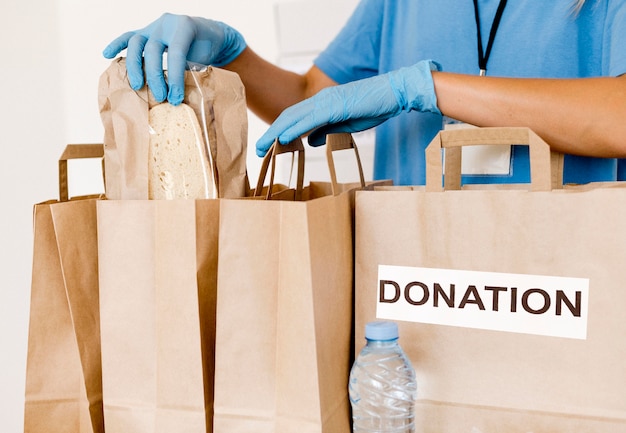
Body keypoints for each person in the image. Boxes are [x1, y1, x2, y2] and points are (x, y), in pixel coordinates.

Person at [103, 0, 626, 186]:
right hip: (421, 284)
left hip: (564, 288)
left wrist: (426, 89)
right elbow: (315, 98)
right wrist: (231, 52)